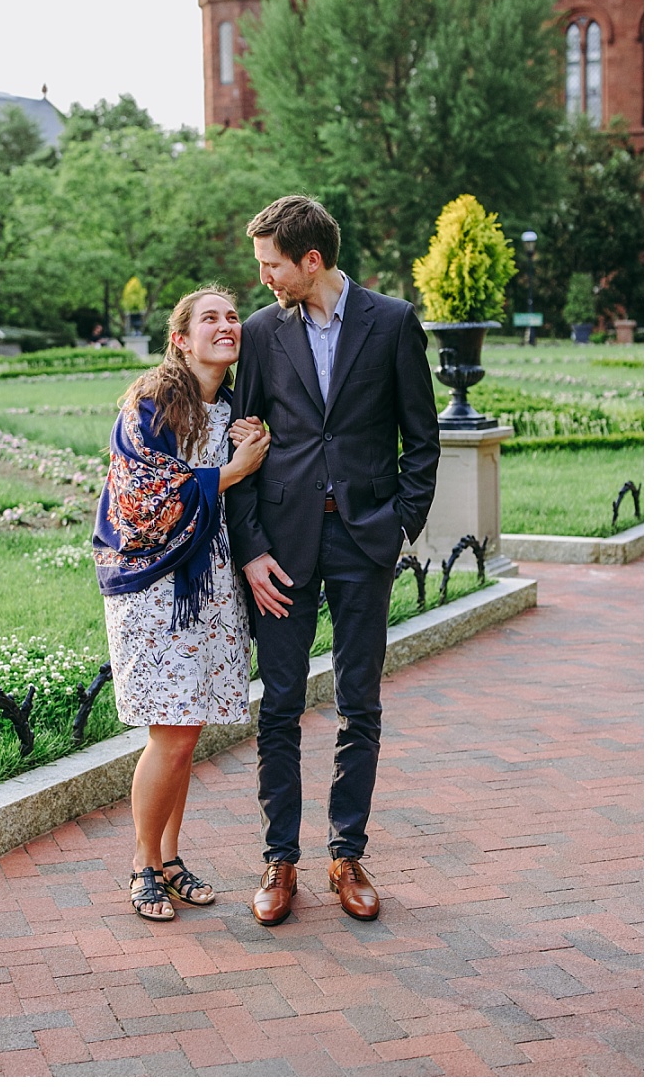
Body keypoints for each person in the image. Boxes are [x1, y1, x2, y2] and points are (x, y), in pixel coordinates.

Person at [227, 195, 439, 926]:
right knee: (280, 702)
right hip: (282, 549)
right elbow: (242, 446)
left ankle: (346, 852)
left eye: (271, 265)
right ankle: (279, 860)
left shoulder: (392, 322)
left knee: (361, 703)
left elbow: (423, 437)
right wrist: (249, 548)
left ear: (309, 260)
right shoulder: (260, 333)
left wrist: (398, 525)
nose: (264, 280)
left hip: (363, 542)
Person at [94, 288, 269, 922]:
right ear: (181, 339)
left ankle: (169, 857)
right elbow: (140, 499)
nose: (226, 326)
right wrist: (231, 471)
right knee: (169, 732)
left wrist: (250, 450)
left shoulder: (231, 410)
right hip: (155, 588)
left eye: (231, 317)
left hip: (213, 584)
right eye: (210, 319)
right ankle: (143, 864)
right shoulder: (151, 406)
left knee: (186, 732)